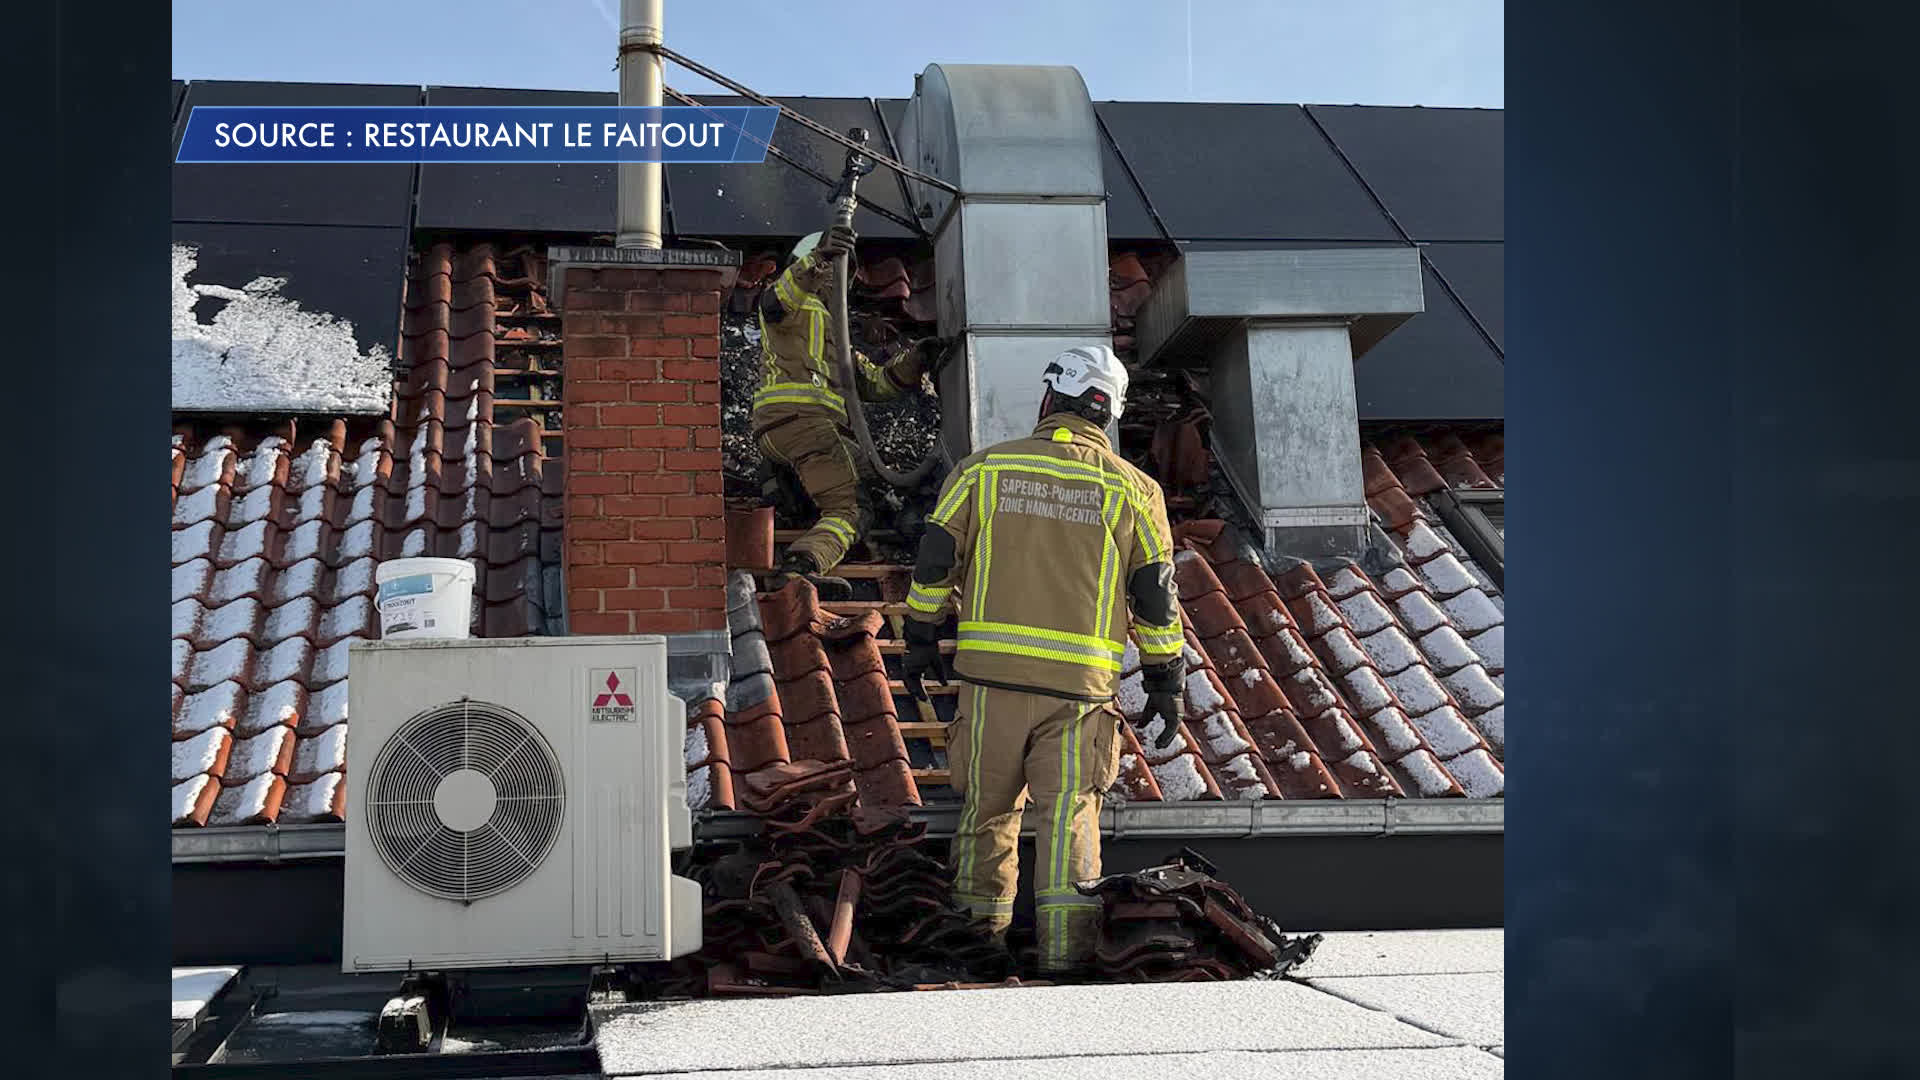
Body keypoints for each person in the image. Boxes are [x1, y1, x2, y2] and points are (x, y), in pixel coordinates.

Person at [899, 344, 1187, 974]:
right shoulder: (1134, 492)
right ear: (1107, 412)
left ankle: (977, 951)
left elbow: (934, 561)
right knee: (1069, 821)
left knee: (987, 813)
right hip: (1080, 696)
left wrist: (920, 633)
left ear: (1051, 398)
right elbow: (1155, 599)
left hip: (991, 686)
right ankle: (1065, 959)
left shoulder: (983, 471)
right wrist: (1166, 678)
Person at [753, 221, 941, 597]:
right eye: (841, 272)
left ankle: (784, 487)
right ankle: (800, 568)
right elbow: (776, 300)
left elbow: (875, 384)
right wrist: (821, 258)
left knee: (871, 475)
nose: (844, 283)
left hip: (792, 430)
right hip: (807, 424)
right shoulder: (795, 305)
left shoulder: (833, 330)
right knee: (851, 510)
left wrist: (917, 359)